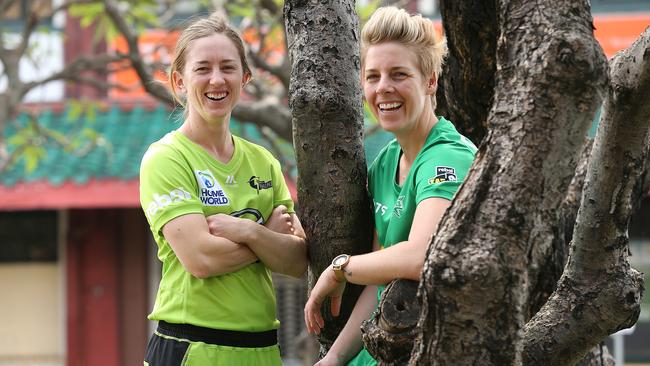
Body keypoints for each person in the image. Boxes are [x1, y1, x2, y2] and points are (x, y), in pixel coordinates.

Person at [303, 6, 477, 366]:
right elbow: (379, 278)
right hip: (381, 348)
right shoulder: (384, 163)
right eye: (373, 76)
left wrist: (339, 268)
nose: (384, 88)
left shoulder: (450, 158)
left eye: (399, 74)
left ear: (430, 81)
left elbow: (418, 257)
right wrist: (335, 357)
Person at [139, 11, 307, 366]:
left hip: (263, 349)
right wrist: (266, 238)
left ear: (245, 78)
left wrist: (248, 231)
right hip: (192, 345)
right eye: (203, 68)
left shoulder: (264, 162)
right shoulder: (166, 158)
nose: (217, 79)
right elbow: (201, 258)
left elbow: (296, 260)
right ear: (179, 81)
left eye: (228, 67)